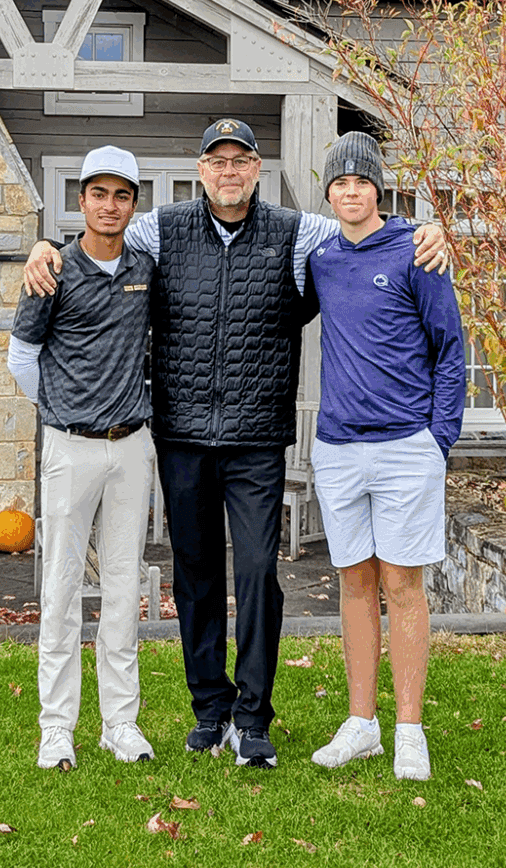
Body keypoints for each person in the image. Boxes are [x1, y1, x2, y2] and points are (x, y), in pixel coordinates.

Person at [23, 120, 452, 770]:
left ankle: (252, 718)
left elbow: (361, 227)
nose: (229, 171)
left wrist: (427, 229)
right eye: (217, 160)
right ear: (201, 170)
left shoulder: (296, 232)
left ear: (256, 169)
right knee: (195, 578)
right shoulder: (161, 230)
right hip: (183, 435)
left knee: (256, 575)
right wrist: (45, 246)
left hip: (257, 437)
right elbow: (99, 237)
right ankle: (209, 711)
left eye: (241, 160)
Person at [303, 134, 465, 781]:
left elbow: (449, 347)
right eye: (340, 182)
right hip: (339, 446)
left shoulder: (416, 252)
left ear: (378, 188)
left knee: (402, 583)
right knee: (355, 582)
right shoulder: (319, 257)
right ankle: (361, 724)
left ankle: (409, 730)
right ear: (329, 193)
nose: (351, 191)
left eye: (361, 181)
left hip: (406, 447)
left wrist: (438, 439)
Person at [9, 146, 158, 771]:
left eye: (121, 195)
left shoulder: (147, 268)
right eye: (99, 193)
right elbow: (22, 357)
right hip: (70, 446)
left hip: (132, 447)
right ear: (81, 200)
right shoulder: (53, 269)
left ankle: (119, 723)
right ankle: (57, 727)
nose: (109, 205)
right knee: (63, 587)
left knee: (123, 586)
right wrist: (60, 409)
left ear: (134, 204)